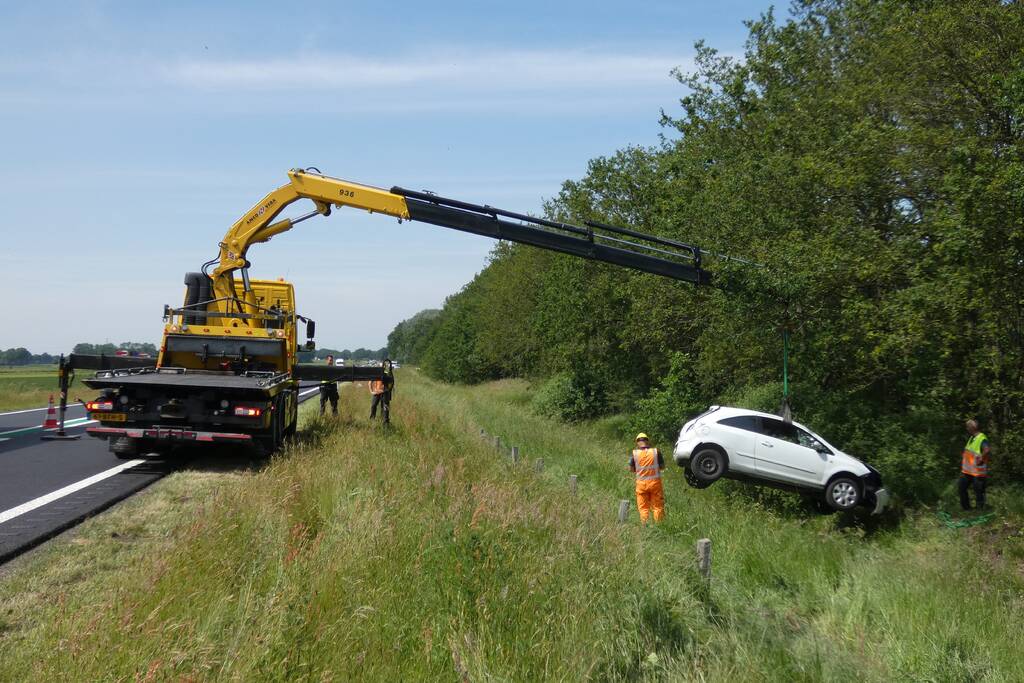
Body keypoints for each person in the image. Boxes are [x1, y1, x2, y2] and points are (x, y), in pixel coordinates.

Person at [629, 433, 665, 524]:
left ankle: (645, 526)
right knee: (657, 507)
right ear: (647, 441)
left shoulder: (634, 453)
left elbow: (631, 469)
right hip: (655, 484)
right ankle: (659, 525)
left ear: (637, 442)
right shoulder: (656, 452)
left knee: (643, 508)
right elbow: (662, 467)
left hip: (641, 485)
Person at [959, 419, 991, 510]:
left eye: (968, 427)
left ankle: (980, 510)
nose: (967, 429)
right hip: (968, 471)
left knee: (979, 492)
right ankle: (967, 509)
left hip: (978, 472)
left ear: (973, 427)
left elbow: (987, 450)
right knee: (961, 488)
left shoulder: (982, 438)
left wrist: (981, 457)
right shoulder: (972, 438)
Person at [368, 359, 395, 424]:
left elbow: (391, 383)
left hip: (385, 393)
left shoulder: (387, 374)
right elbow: (370, 382)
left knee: (384, 407)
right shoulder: (376, 374)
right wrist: (372, 391)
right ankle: (372, 419)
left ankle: (384, 420)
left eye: (384, 367)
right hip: (377, 392)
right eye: (382, 367)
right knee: (373, 405)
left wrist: (389, 390)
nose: (383, 368)